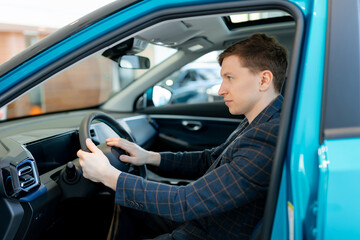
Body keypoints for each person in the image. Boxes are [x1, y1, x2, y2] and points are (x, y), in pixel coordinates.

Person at [77, 33, 288, 240]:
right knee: (124, 202)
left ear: (264, 80)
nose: (222, 89)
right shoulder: (260, 121)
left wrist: (108, 176)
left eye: (230, 78)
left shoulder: (268, 136)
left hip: (206, 231)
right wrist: (148, 157)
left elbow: (184, 203)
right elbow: (210, 159)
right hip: (203, 219)